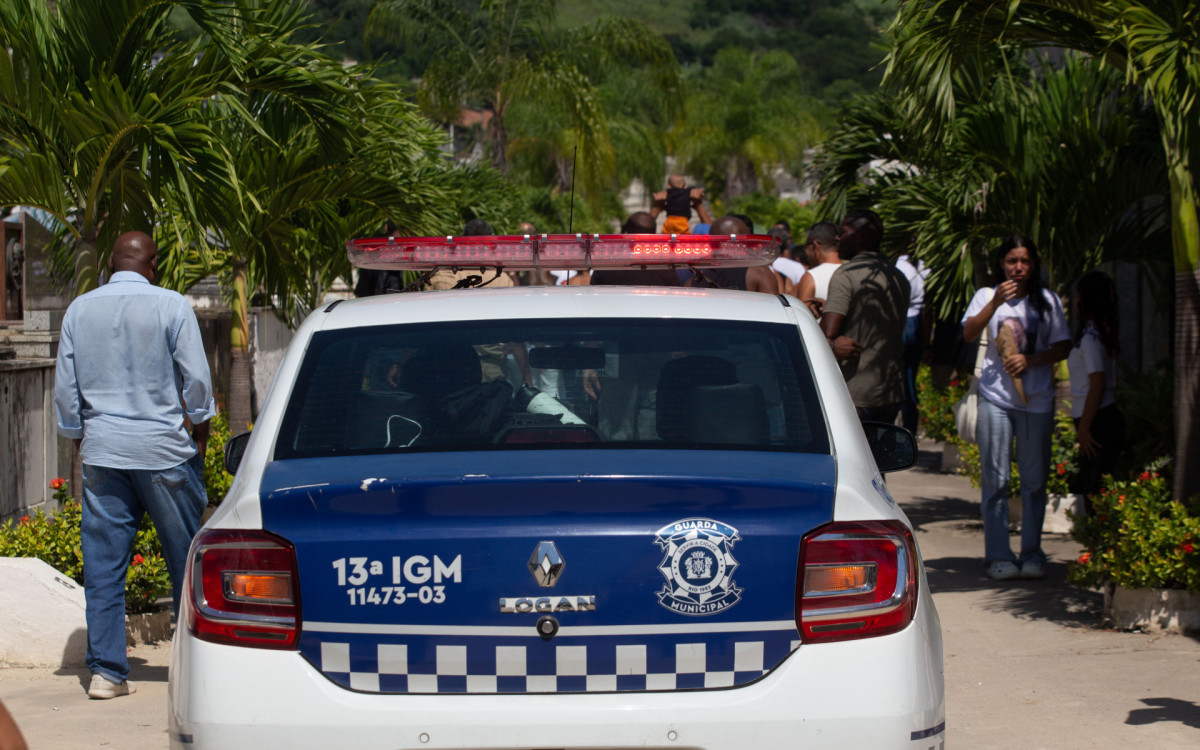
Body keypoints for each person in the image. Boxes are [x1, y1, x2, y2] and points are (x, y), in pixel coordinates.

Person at [54, 231, 215, 699]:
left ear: (110, 263)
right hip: (163, 452)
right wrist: (200, 435)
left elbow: (67, 391)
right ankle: (196, 671)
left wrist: (82, 436)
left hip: (104, 452)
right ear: (154, 264)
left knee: (104, 567)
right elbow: (198, 382)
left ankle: (106, 673)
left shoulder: (79, 310)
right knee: (186, 564)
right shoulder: (171, 305)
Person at [962, 235, 1071, 581]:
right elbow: (968, 333)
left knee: (1034, 481)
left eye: (1024, 261)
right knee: (996, 478)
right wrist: (994, 303)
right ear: (1001, 264)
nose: (1018, 268)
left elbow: (1064, 344)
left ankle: (1032, 553)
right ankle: (998, 554)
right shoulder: (986, 295)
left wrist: (1033, 359)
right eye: (1012, 261)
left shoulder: (1047, 301)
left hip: (1036, 402)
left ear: (1034, 264)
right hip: (996, 397)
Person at [819, 210, 910, 424]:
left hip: (855, 392)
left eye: (842, 232)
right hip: (890, 391)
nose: (837, 238)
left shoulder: (846, 274)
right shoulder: (898, 277)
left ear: (861, 237)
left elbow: (825, 336)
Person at [1067, 270, 1124, 498]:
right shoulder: (1099, 333)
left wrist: (1084, 428)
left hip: (1097, 420)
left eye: (1078, 295)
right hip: (1099, 417)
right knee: (1094, 486)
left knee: (1094, 489)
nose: (1075, 301)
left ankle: (1097, 534)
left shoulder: (1091, 339)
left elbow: (1097, 384)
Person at [687, 215, 779, 293]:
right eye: (748, 239)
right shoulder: (759, 273)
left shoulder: (691, 277)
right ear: (742, 242)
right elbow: (774, 311)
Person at [894, 249, 928, 433]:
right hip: (914, 322)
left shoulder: (901, 267)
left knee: (903, 383)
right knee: (908, 382)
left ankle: (906, 431)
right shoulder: (921, 266)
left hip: (906, 322)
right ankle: (910, 430)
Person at [796, 222, 841, 309]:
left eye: (806, 247)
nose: (806, 252)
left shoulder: (811, 277)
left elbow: (801, 317)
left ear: (815, 246)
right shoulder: (850, 272)